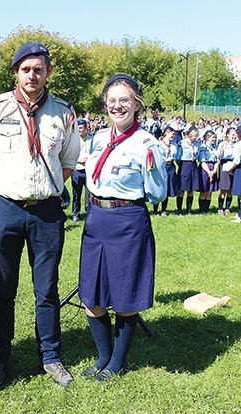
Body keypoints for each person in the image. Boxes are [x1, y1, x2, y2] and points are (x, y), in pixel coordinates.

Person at [0, 41, 80, 389]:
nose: (32, 75)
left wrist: (40, 194)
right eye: (26, 69)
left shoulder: (64, 112)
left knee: (46, 289)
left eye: (39, 69)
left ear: (48, 72)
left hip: (46, 213)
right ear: (16, 72)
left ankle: (51, 357)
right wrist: (2, 190)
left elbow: (67, 162)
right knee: (2, 289)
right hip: (5, 208)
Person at [79, 74, 166, 382]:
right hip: (96, 220)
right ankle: (102, 356)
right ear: (105, 105)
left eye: (124, 100)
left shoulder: (147, 145)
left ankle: (117, 362)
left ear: (137, 105)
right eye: (111, 100)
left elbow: (157, 193)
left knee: (125, 299)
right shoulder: (98, 138)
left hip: (128, 222)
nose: (117, 106)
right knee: (92, 297)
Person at [152, 124, 178, 216]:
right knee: (159, 188)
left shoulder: (174, 145)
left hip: (170, 166)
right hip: (161, 167)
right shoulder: (159, 144)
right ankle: (155, 210)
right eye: (172, 134)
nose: (173, 136)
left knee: (167, 189)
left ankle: (163, 209)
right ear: (166, 133)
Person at [71, 119, 93, 221]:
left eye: (81, 128)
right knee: (76, 194)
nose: (79, 130)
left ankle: (89, 212)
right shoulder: (73, 140)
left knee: (90, 194)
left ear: (86, 128)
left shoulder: (92, 139)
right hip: (77, 170)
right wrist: (79, 159)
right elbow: (69, 155)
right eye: (78, 128)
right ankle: (76, 213)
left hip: (88, 171)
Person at [195, 129, 219, 214]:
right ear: (207, 138)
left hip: (213, 168)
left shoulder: (215, 148)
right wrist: (209, 172)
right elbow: (202, 161)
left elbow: (217, 160)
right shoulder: (202, 148)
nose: (214, 139)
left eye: (215, 137)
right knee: (204, 191)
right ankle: (202, 210)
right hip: (205, 170)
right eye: (213, 137)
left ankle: (206, 209)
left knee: (210, 191)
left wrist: (214, 171)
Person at [175, 127, 198, 214]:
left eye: (197, 135)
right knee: (182, 189)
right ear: (189, 134)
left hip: (193, 165)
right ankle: (179, 210)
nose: (195, 137)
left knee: (191, 190)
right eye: (194, 135)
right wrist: (181, 166)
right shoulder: (182, 143)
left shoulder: (197, 144)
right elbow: (178, 157)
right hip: (184, 165)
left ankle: (189, 210)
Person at [217, 127, 237, 215]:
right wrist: (222, 146)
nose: (234, 136)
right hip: (224, 165)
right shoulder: (223, 144)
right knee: (224, 188)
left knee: (230, 189)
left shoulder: (237, 144)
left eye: (235, 134)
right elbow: (218, 156)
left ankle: (227, 208)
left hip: (233, 165)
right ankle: (220, 208)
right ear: (227, 135)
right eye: (232, 134)